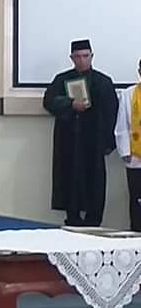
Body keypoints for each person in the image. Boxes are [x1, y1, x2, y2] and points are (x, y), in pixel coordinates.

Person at [42, 39, 118, 227]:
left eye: (85, 56)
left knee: (94, 184)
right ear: (71, 58)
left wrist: (108, 143)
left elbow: (112, 112)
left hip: (94, 143)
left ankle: (93, 224)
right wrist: (70, 104)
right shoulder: (61, 80)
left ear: (92, 56)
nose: (82, 60)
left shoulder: (103, 82)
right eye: (77, 57)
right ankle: (72, 221)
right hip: (69, 142)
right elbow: (49, 101)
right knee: (70, 182)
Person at [115, 58, 141, 231]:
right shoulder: (128, 94)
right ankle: (137, 233)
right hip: (135, 157)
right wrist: (125, 151)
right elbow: (122, 124)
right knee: (136, 199)